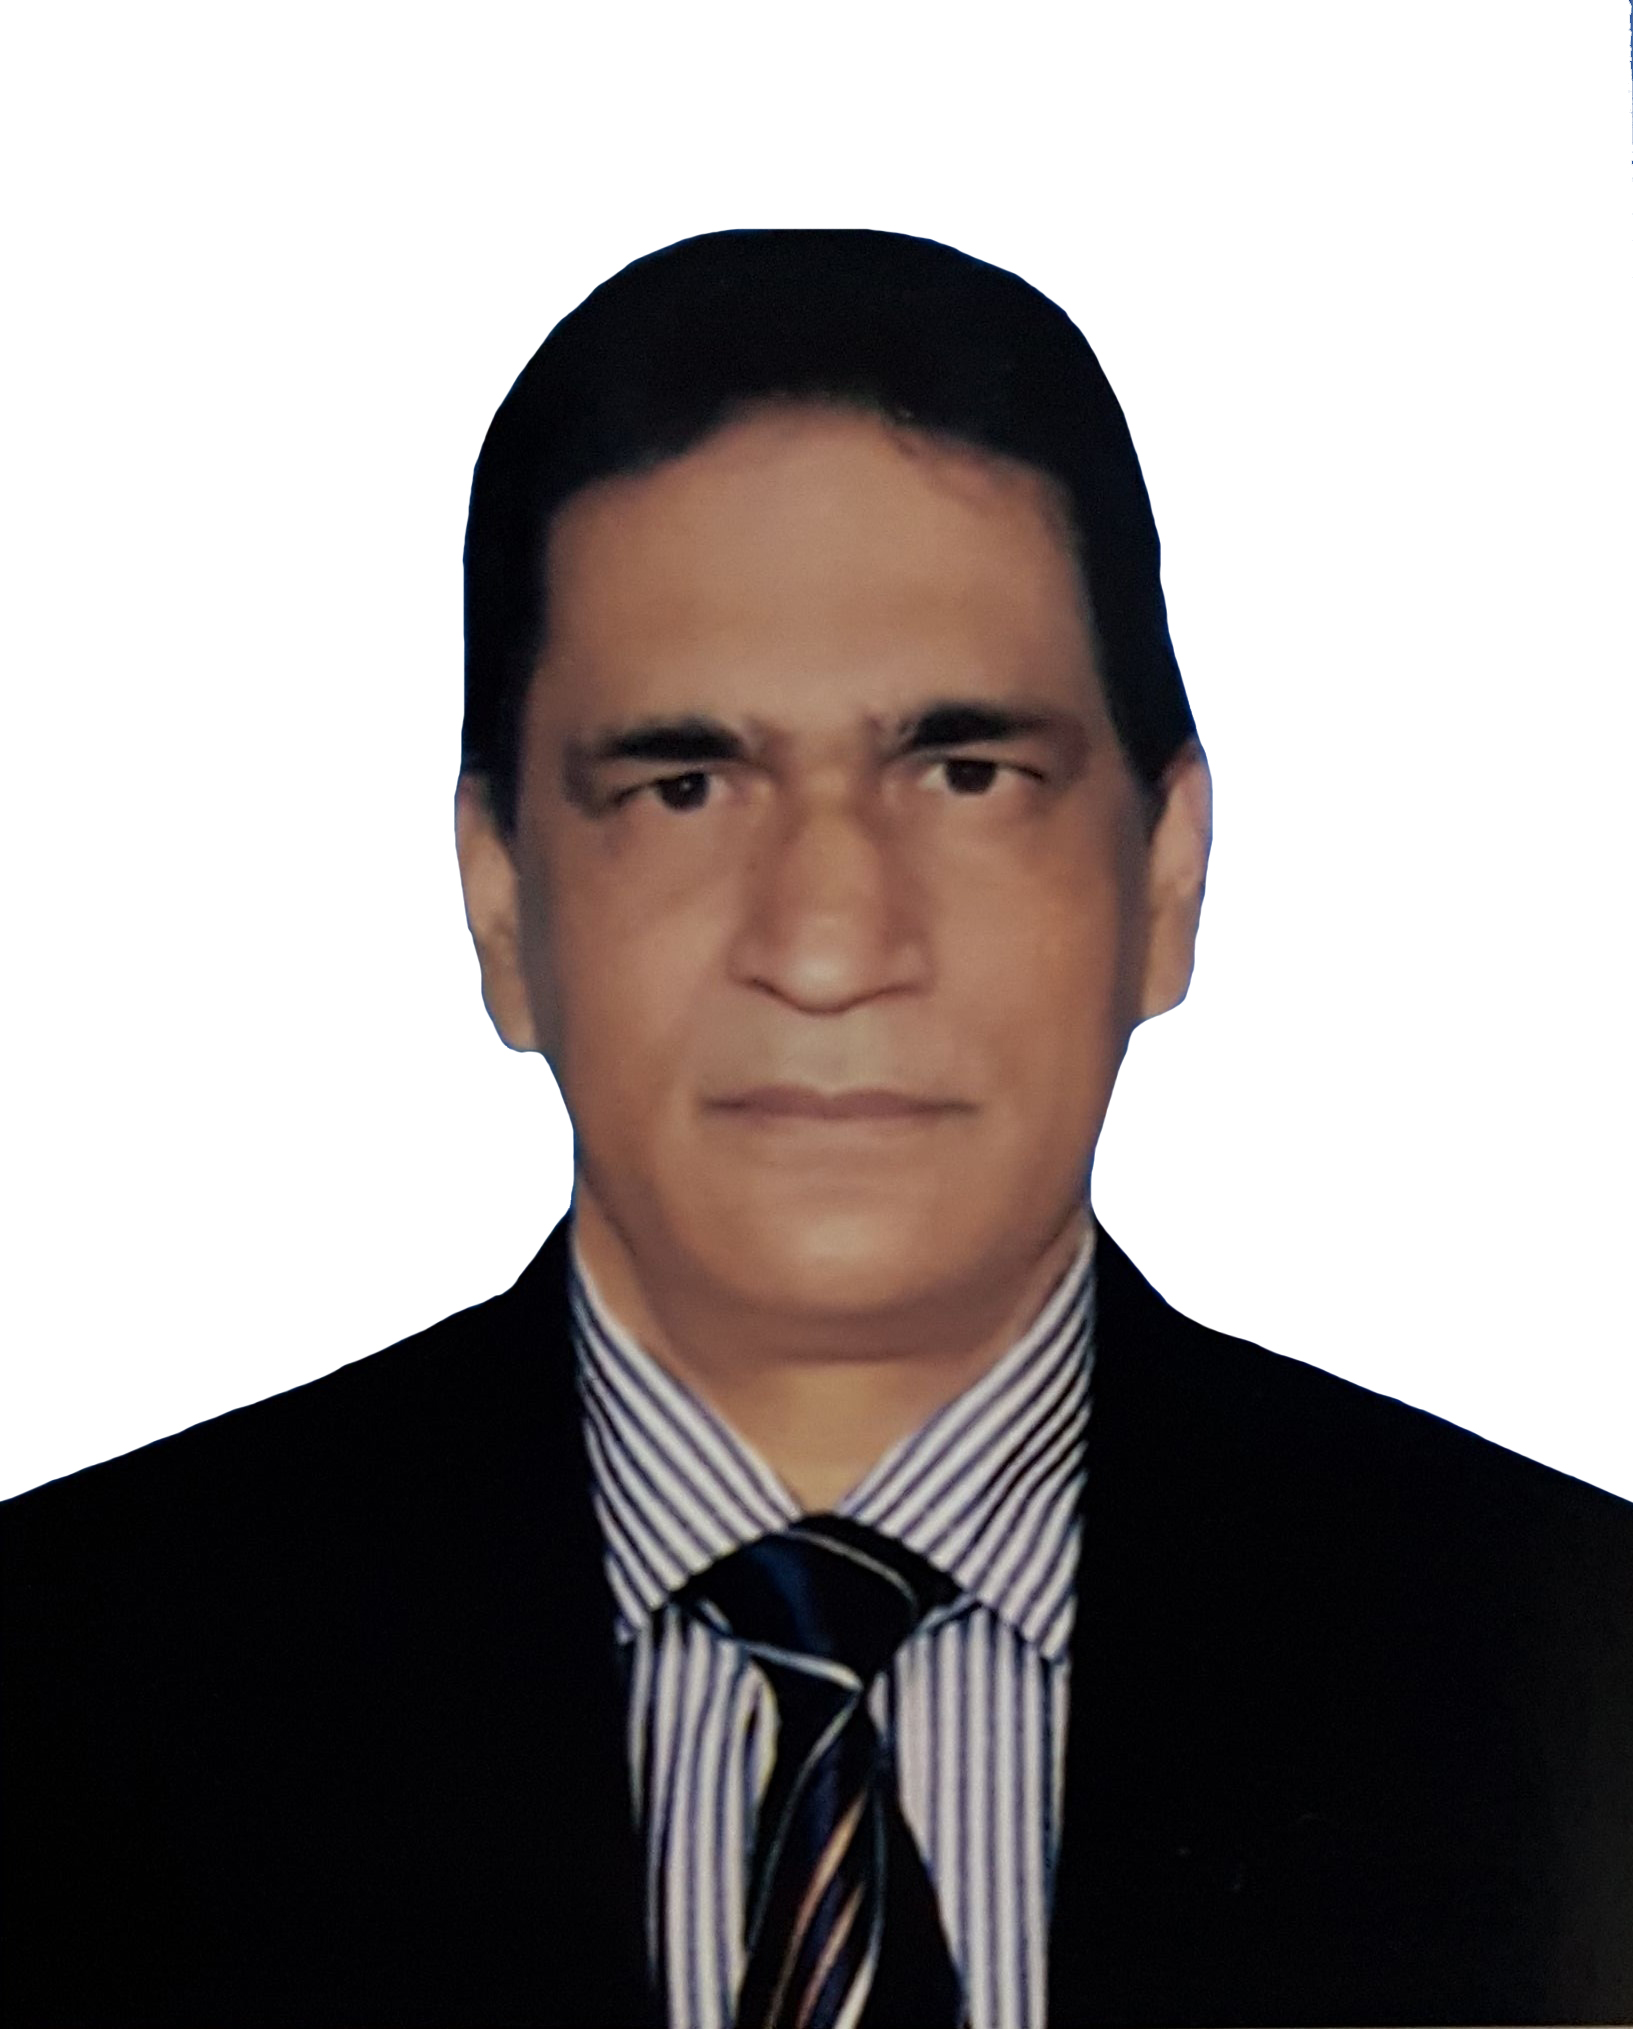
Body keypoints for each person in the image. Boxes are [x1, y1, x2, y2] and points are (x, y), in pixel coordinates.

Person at [2, 228, 1629, 2029]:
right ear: (499, 899)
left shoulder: (1572, 1671)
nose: (832, 944)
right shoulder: (59, 1694)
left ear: (1166, 877)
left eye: (965, 773)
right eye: (683, 785)